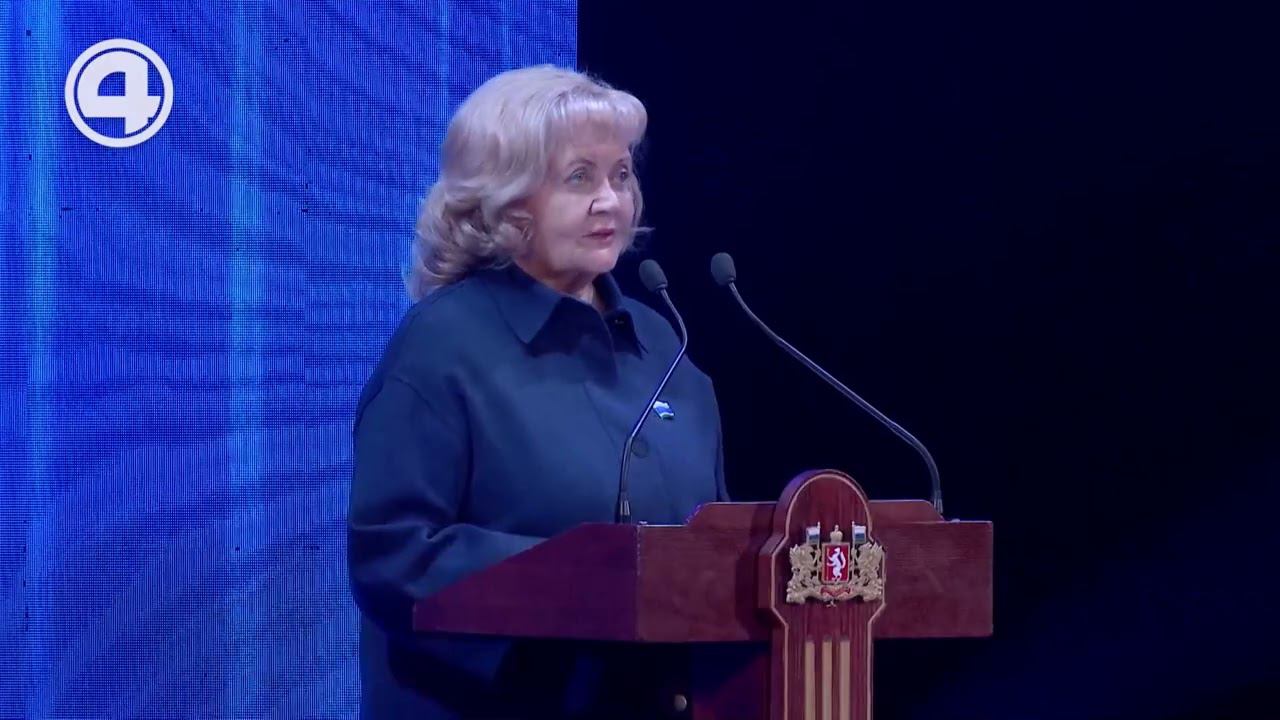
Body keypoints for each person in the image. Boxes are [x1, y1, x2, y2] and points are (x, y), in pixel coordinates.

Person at [347, 65, 729, 719]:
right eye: (579, 177)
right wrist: (588, 581)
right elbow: (396, 555)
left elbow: (712, 541)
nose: (610, 200)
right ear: (505, 200)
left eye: (621, 175)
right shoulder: (443, 342)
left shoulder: (661, 340)